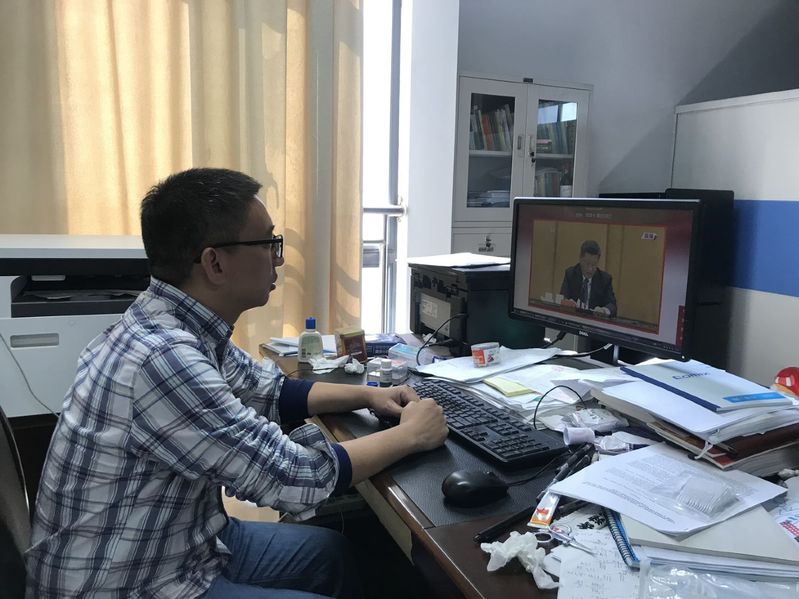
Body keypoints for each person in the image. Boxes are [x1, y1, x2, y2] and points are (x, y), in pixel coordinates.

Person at [26, 168, 449, 598]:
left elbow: (268, 390)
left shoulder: (176, 323)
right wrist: (412, 435)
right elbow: (295, 478)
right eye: (268, 243)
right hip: (125, 582)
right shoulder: (163, 359)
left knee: (332, 554)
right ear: (215, 263)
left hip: (181, 543)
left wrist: (370, 395)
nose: (278, 258)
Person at [559, 240, 617, 317]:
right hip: (573, 319)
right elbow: (563, 297)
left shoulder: (605, 279)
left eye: (594, 265)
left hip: (594, 321)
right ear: (580, 258)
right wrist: (567, 302)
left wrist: (604, 310)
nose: (590, 269)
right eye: (587, 264)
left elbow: (612, 305)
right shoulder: (571, 274)